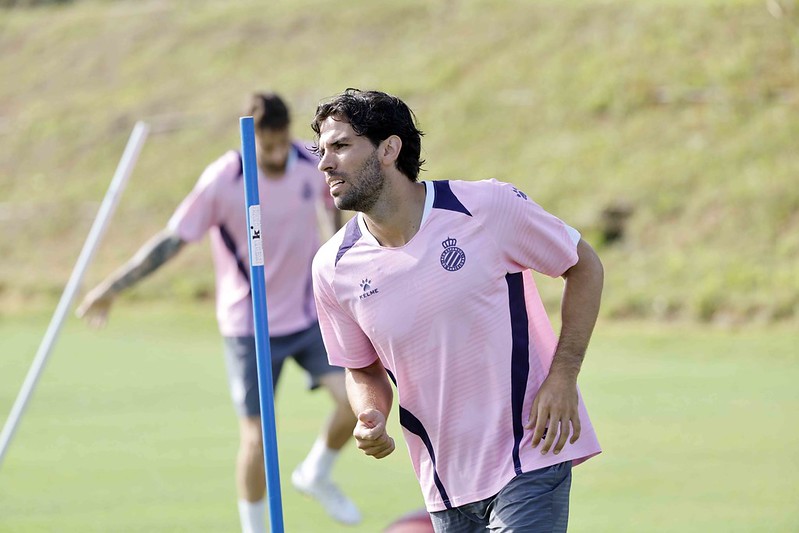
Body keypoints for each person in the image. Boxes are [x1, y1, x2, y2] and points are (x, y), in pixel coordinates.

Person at [310, 89, 604, 533]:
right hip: (444, 484)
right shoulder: (332, 268)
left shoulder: (486, 207)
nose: (324, 163)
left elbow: (583, 266)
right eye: (321, 150)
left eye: (341, 146)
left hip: (528, 454)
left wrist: (563, 375)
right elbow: (361, 368)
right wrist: (370, 413)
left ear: (389, 149)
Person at [77, 92, 361, 532]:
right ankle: (254, 527)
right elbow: (172, 241)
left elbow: (333, 219)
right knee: (258, 435)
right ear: (251, 137)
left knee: (353, 405)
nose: (273, 153)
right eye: (265, 144)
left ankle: (315, 474)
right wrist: (112, 288)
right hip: (249, 326)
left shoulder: (310, 165)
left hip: (305, 315)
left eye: (280, 141)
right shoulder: (224, 179)